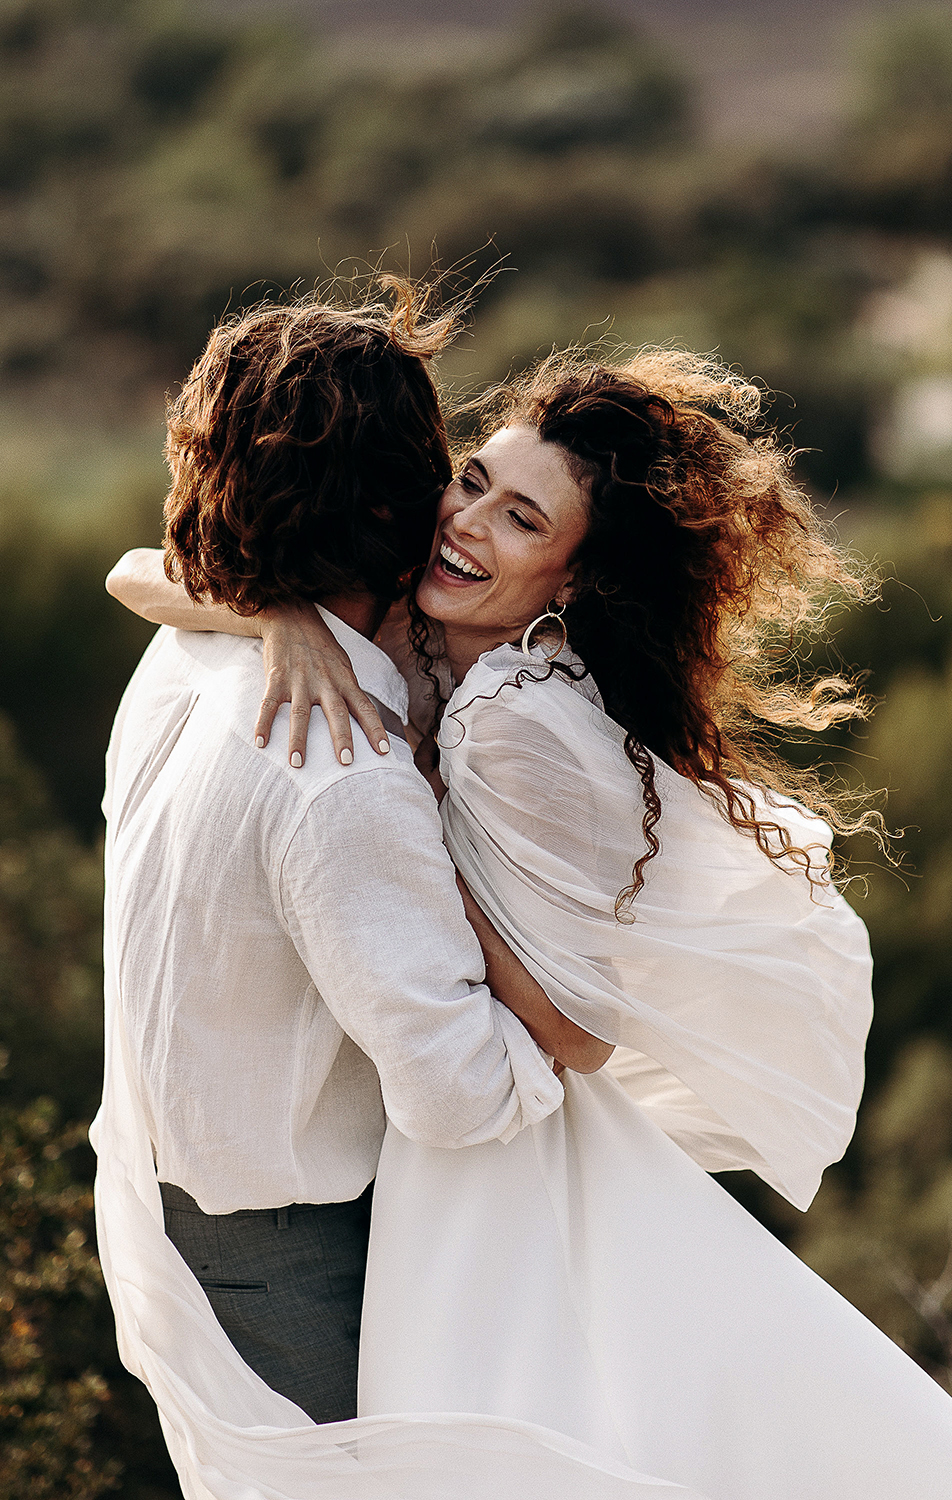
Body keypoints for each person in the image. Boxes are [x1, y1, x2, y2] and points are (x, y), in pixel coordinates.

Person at [111, 335, 952, 1498]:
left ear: (569, 581)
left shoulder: (518, 720)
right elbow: (138, 571)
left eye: (522, 520)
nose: (469, 525)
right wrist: (281, 619)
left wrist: (430, 855)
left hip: (487, 1136)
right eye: (473, 483)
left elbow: (578, 1027)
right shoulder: (405, 622)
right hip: (374, 1162)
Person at [94, 285, 609, 1448]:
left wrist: (274, 608)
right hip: (295, 1257)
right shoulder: (347, 775)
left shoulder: (186, 653)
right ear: (399, 499)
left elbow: (147, 569)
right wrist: (563, 1038)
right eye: (458, 475)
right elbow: (461, 1096)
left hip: (170, 1199)